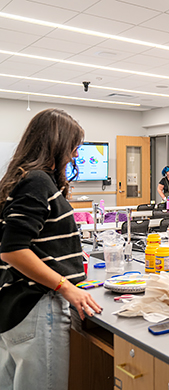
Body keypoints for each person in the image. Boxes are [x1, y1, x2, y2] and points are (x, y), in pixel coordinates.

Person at [0, 108, 102, 389]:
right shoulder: (36, 181)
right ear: (56, 144)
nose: (74, 156)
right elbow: (13, 250)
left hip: (18, 307)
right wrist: (67, 287)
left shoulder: (22, 179)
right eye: (72, 147)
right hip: (37, 305)